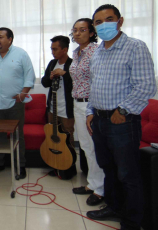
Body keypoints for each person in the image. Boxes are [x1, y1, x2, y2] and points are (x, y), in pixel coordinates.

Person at [85, 4, 156, 230]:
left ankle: (132, 221)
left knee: (128, 174)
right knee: (109, 168)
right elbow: (94, 86)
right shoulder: (97, 52)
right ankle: (114, 207)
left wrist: (123, 110)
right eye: (98, 22)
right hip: (99, 120)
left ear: (120, 21)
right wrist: (90, 112)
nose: (103, 24)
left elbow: (146, 86)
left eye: (109, 19)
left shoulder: (135, 47)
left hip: (123, 122)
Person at [0, 27, 35, 178]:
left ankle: (21, 165)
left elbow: (29, 75)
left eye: (1, 37)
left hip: (15, 103)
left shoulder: (21, 54)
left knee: (18, 134)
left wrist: (23, 94)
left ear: (10, 39)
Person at [69, 18, 105, 206]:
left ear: (91, 32)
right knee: (85, 146)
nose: (77, 33)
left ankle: (100, 190)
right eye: (74, 30)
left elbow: (100, 80)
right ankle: (93, 184)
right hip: (78, 103)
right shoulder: (76, 53)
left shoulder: (97, 51)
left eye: (82, 30)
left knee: (94, 147)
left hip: (92, 106)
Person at [41, 35, 77, 179]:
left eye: (55, 49)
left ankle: (69, 168)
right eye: (51, 49)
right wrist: (49, 77)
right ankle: (55, 165)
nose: (52, 52)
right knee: (53, 137)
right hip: (52, 108)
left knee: (68, 139)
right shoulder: (51, 63)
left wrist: (65, 74)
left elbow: (77, 84)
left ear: (65, 49)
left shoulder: (73, 64)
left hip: (67, 109)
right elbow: (44, 83)